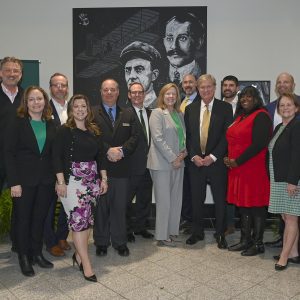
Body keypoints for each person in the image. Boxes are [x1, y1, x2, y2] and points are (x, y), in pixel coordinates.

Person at [53, 94, 108, 282]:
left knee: (85, 223)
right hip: (72, 183)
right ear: (71, 110)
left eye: (83, 106)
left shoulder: (94, 130)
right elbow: (56, 157)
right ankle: (86, 263)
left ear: (88, 109)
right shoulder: (64, 131)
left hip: (91, 183)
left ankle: (78, 256)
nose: (80, 109)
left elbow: (100, 156)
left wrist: (104, 179)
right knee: (78, 223)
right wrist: (60, 182)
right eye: (76, 106)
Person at [4, 86, 56, 276]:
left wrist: (58, 180)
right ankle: (24, 256)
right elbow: (8, 153)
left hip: (46, 181)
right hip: (23, 181)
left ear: (45, 101)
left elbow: (53, 154)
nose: (36, 103)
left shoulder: (50, 123)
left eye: (39, 99)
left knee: (39, 218)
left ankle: (36, 253)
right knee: (23, 220)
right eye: (32, 99)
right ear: (26, 103)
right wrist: (14, 182)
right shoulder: (17, 122)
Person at [184, 74, 233, 249]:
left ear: (214, 87)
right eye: (202, 87)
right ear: (198, 88)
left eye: (209, 87)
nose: (206, 90)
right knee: (196, 199)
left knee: (220, 200)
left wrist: (212, 157)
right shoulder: (190, 109)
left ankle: (220, 233)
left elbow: (227, 136)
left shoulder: (225, 108)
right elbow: (187, 136)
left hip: (217, 163)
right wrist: (193, 156)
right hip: (196, 162)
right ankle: (197, 232)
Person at [93, 79, 138, 257]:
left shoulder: (128, 113)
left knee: (120, 207)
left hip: (122, 168)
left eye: (113, 90)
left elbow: (135, 138)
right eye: (106, 90)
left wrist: (121, 151)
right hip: (100, 169)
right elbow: (91, 136)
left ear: (118, 92)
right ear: (101, 92)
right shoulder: (92, 113)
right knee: (101, 208)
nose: (109, 93)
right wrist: (107, 150)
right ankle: (101, 242)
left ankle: (120, 242)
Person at [225, 86, 272, 256]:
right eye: (243, 96)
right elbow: (232, 141)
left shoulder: (261, 116)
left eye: (249, 96)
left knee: (256, 206)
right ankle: (245, 240)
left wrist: (237, 161)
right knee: (243, 206)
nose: (245, 99)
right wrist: (227, 158)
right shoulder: (240, 117)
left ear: (256, 99)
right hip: (238, 169)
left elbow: (259, 144)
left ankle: (258, 243)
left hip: (253, 169)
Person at [147, 83, 187, 247]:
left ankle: (171, 231)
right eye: (167, 94)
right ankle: (161, 236)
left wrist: (183, 153)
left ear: (177, 97)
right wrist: (173, 158)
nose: (171, 97)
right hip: (162, 164)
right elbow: (158, 139)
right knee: (164, 201)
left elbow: (182, 137)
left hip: (179, 162)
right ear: (162, 96)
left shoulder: (179, 114)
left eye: (174, 94)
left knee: (175, 200)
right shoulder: (157, 113)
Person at [265, 72, 300, 248]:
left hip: (292, 176)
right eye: (279, 82)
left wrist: (293, 180)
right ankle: (291, 250)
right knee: (286, 216)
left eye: (286, 82)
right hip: (278, 174)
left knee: (292, 216)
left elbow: (297, 154)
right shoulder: (274, 115)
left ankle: (287, 255)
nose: (282, 84)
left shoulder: (296, 123)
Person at [44, 73, 70, 257]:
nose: (60, 88)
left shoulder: (73, 107)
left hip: (70, 165)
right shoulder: (44, 110)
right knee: (50, 205)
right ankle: (51, 241)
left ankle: (62, 236)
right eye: (56, 85)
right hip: (49, 165)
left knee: (68, 204)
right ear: (50, 88)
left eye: (63, 85)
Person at [126, 82, 153, 242]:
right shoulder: (124, 114)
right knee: (127, 201)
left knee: (145, 198)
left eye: (140, 92)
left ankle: (141, 227)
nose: (137, 95)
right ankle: (127, 229)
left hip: (150, 165)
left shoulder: (152, 114)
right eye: (133, 92)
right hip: (131, 166)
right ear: (129, 95)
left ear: (144, 94)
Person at [179, 74, 200, 233]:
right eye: (185, 82)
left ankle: (194, 222)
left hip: (195, 153)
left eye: (191, 82)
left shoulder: (201, 102)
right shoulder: (180, 102)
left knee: (194, 190)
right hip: (181, 153)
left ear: (196, 84)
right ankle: (186, 219)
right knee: (185, 189)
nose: (188, 85)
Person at [163, 13, 205, 85]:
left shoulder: (204, 77)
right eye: (169, 38)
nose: (174, 46)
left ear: (198, 42)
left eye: (183, 38)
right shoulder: (155, 77)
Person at [221, 75, 240, 236]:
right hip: (219, 156)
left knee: (236, 189)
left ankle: (233, 223)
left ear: (237, 88)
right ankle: (227, 224)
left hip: (237, 157)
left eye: (231, 85)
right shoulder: (216, 105)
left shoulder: (243, 107)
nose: (228, 88)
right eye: (225, 85)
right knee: (223, 190)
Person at [120, 41, 161, 109]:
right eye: (128, 70)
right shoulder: (122, 111)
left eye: (139, 69)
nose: (131, 76)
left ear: (154, 75)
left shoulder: (164, 109)